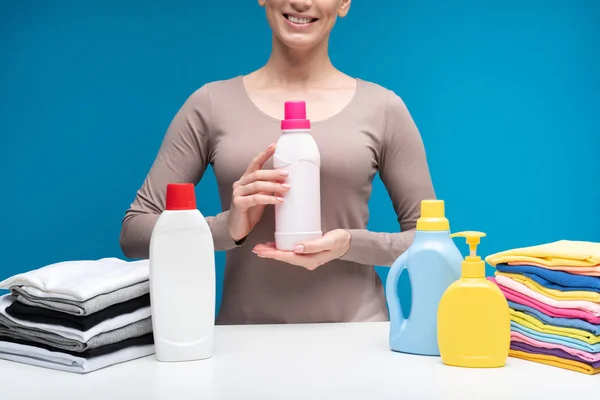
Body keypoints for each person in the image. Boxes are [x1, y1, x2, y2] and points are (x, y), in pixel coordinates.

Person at [119, 0, 436, 325]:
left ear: (344, 3)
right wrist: (226, 227)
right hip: (242, 344)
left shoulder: (382, 109)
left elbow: (430, 241)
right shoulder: (211, 105)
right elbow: (134, 232)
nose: (302, 2)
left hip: (356, 338)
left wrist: (349, 244)